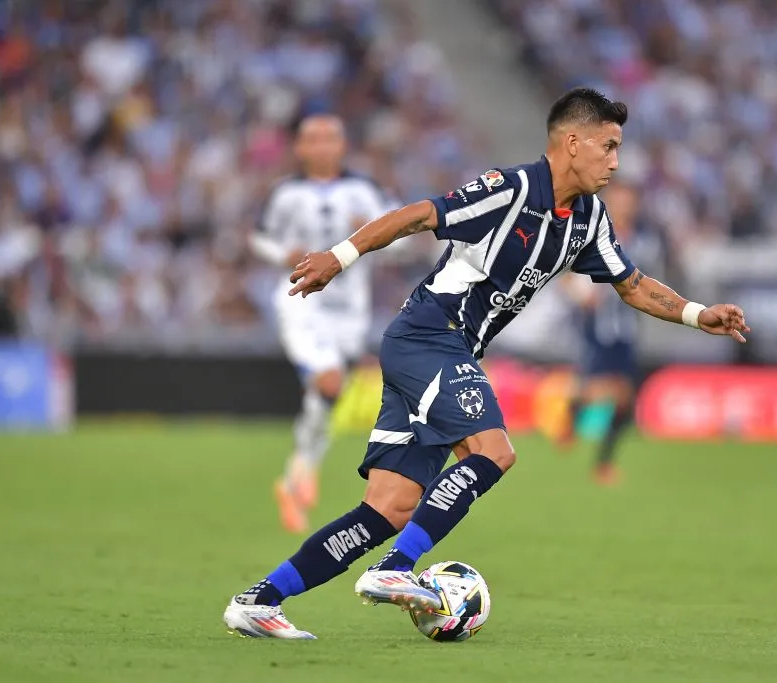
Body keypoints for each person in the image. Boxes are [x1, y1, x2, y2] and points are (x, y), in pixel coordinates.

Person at [224, 88, 749, 639]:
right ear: (572, 142)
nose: (616, 161)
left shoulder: (588, 218)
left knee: (389, 508)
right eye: (608, 146)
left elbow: (633, 285)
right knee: (494, 452)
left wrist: (697, 314)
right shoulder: (511, 190)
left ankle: (259, 601)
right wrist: (340, 255)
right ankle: (394, 571)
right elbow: (420, 215)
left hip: (444, 349)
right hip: (429, 336)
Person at [249, 114, 390, 534]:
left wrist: (368, 234)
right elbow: (260, 238)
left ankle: (296, 475)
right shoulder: (287, 193)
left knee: (325, 397)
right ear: (300, 147)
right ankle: (302, 471)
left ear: (343, 144)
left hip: (350, 311)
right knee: (328, 382)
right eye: (313, 139)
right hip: (302, 302)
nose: (323, 146)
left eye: (331, 137)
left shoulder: (363, 191)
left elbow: (399, 235)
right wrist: (282, 253)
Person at [556, 181, 656, 485]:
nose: (624, 207)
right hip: (599, 327)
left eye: (628, 202)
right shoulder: (594, 236)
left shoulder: (642, 241)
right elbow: (567, 278)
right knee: (607, 390)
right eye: (619, 201)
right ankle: (580, 430)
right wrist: (583, 297)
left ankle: (593, 449)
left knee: (623, 397)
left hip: (625, 328)